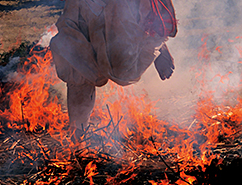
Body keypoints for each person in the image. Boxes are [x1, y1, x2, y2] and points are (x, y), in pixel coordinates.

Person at [50, 0, 177, 133]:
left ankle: (156, 42)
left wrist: (156, 42)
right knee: (76, 61)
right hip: (83, 5)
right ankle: (78, 134)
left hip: (120, 7)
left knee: (123, 72)